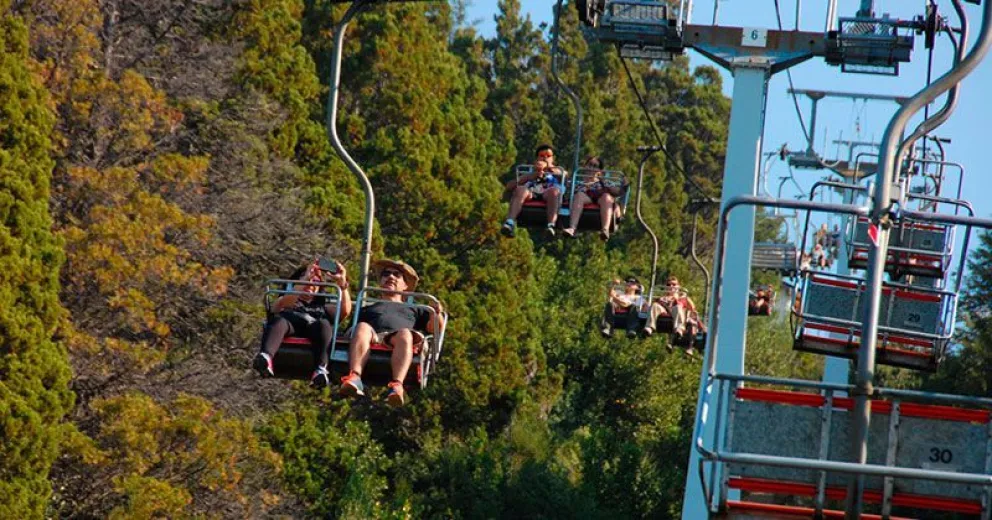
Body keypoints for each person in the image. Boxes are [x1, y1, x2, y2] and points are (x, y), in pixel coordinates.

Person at [340, 259, 443, 407]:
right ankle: (354, 376)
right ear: (380, 281)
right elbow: (351, 331)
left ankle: (397, 385)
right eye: (386, 274)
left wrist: (436, 313)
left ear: (405, 285)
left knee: (405, 334)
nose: (391, 277)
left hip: (398, 339)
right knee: (362, 326)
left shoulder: (416, 309)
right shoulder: (366, 308)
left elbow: (434, 329)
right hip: (372, 337)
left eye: (397, 275)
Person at [253, 259, 352, 388]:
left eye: (315, 281)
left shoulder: (322, 307)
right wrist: (305, 279)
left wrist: (342, 284)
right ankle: (266, 357)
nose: (310, 284)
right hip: (290, 325)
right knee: (279, 321)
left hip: (314, 329)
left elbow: (345, 311)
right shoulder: (289, 298)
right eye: (307, 280)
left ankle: (321, 369)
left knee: (324, 325)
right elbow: (281, 306)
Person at [502, 144, 565, 237]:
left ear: (553, 158)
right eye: (542, 156)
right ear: (537, 158)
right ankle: (510, 222)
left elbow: (565, 176)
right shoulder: (530, 171)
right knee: (520, 189)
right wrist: (530, 176)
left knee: (554, 192)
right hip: (532, 192)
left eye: (548, 156)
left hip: (548, 192)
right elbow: (509, 186)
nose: (545, 158)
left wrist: (548, 168)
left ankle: (551, 225)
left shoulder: (558, 171)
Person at [562, 156, 619, 241]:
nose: (591, 168)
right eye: (590, 165)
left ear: (599, 171)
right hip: (585, 197)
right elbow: (565, 188)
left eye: (595, 166)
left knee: (606, 197)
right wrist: (564, 175)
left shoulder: (604, 182)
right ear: (585, 166)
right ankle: (572, 228)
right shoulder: (576, 181)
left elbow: (616, 192)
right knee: (579, 195)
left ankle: (605, 229)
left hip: (600, 198)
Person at [645, 276, 700, 353]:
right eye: (668, 285)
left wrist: (681, 298)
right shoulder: (662, 298)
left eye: (674, 284)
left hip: (677, 313)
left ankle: (679, 329)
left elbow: (692, 308)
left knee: (677, 307)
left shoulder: (682, 297)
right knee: (655, 305)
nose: (671, 286)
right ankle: (649, 327)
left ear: (678, 286)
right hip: (664, 312)